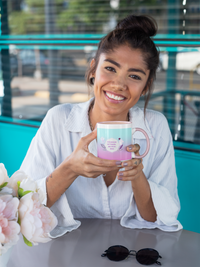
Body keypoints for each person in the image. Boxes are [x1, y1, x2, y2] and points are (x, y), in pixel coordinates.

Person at [20, 15, 182, 237]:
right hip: (67, 251)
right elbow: (24, 207)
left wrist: (137, 177)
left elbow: (155, 217)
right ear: (93, 69)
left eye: (134, 76)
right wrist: (69, 169)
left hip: (128, 252)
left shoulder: (156, 126)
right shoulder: (58, 120)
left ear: (146, 86)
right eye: (111, 69)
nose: (119, 84)